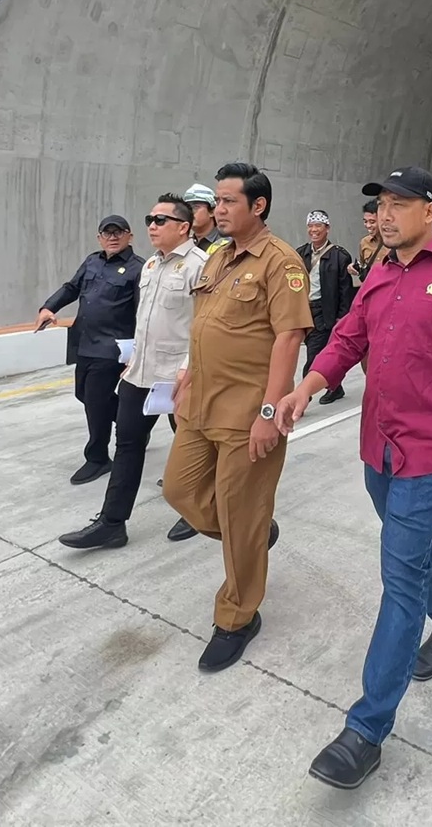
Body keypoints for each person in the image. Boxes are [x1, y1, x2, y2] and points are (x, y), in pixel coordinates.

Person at [275, 166, 432, 791]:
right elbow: (346, 340)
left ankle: (366, 730)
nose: (385, 215)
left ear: (429, 211)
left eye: (398, 204)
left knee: (398, 580)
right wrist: (306, 386)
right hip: (378, 447)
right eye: (380, 205)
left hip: (431, 448)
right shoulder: (379, 274)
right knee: (410, 546)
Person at [164, 163, 312, 672]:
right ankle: (251, 533)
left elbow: (289, 339)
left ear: (258, 206)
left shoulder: (281, 262)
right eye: (217, 202)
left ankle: (237, 617)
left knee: (238, 509)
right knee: (179, 491)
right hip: (201, 404)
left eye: (227, 202)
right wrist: (186, 375)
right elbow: (203, 326)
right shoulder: (218, 259)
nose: (216, 210)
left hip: (247, 413)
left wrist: (270, 413)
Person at [58, 195, 209, 550]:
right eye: (150, 219)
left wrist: (189, 369)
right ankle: (112, 523)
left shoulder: (201, 266)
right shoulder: (152, 267)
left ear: (184, 227)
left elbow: (205, 326)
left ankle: (195, 510)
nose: (152, 226)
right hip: (140, 373)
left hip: (178, 377)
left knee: (189, 446)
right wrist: (134, 357)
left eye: (161, 220)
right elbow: (144, 321)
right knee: (127, 444)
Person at [37, 216, 144, 484]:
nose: (112, 237)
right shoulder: (92, 261)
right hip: (84, 342)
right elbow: (71, 288)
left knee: (96, 402)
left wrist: (138, 353)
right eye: (106, 233)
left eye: (118, 232)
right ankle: (132, 422)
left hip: (112, 349)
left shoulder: (139, 269)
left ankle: (97, 458)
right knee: (83, 394)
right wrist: (49, 307)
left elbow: (144, 314)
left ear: (129, 236)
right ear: (99, 238)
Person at [297, 211, 353, 404]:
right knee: (324, 353)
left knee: (313, 355)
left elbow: (345, 290)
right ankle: (336, 388)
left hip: (326, 311)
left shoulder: (339, 255)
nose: (314, 230)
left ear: (327, 228)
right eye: (310, 226)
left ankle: (302, 397)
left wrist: (342, 317)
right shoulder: (300, 253)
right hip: (305, 310)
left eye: (318, 226)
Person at [183, 182, 229, 255]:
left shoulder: (227, 244)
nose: (190, 212)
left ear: (212, 211)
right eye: (187, 208)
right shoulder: (185, 244)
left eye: (195, 207)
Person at [348, 199, 383, 289]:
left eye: (372, 222)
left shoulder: (395, 243)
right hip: (370, 290)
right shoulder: (364, 242)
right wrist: (354, 268)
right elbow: (363, 264)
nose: (368, 225)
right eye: (365, 221)